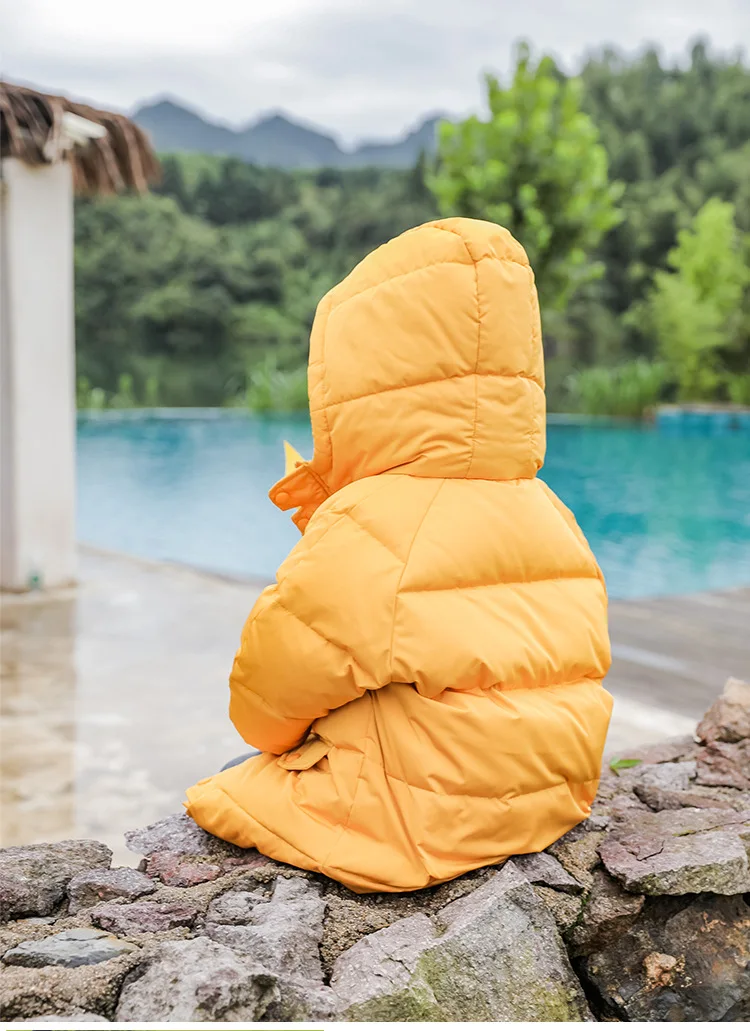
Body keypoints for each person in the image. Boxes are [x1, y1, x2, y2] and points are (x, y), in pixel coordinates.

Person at [185, 217, 613, 894]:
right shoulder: (551, 512)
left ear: (361, 382)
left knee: (223, 788)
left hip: (415, 821)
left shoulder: (374, 521)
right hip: (552, 798)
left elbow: (266, 700)